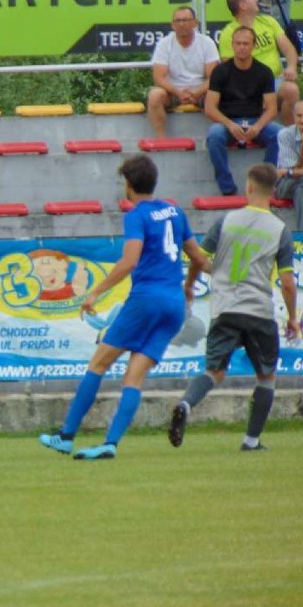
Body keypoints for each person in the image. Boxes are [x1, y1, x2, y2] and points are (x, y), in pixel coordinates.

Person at [38, 155, 211, 460]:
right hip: (173, 306)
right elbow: (199, 259)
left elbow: (129, 262)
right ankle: (110, 444)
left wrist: (95, 292)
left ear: (129, 185)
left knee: (99, 364)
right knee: (134, 378)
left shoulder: (137, 216)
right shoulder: (175, 211)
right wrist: (190, 287)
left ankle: (66, 437)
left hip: (146, 299)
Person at [169, 163, 299, 452]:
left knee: (214, 371)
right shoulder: (280, 230)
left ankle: (186, 403)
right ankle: (251, 441)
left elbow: (199, 259)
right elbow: (288, 282)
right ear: (273, 192)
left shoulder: (226, 221)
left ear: (249, 187)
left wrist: (190, 285)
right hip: (258, 311)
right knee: (266, 376)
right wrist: (292, 318)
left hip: (225, 308)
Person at [205, 26, 281, 196]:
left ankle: (266, 183)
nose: (241, 47)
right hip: (228, 122)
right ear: (232, 45)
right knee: (214, 135)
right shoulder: (220, 71)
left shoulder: (264, 72)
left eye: (246, 43)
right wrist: (229, 124)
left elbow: (272, 108)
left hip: (255, 120)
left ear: (253, 46)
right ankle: (227, 187)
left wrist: (259, 126)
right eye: (238, 43)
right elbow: (210, 108)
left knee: (280, 134)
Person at [218, 0, 299, 125]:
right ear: (243, 6)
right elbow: (229, 68)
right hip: (247, 86)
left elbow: (289, 49)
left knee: (291, 89)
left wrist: (291, 67)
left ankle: (290, 137)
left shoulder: (269, 21)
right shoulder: (229, 33)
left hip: (275, 80)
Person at [147, 6, 220, 137]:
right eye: (178, 21)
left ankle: (215, 136)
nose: (181, 24)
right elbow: (159, 78)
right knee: (154, 96)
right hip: (173, 92)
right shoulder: (164, 44)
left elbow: (214, 77)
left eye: (185, 20)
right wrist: (179, 93)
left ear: (195, 23)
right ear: (172, 24)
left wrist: (197, 93)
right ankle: (161, 140)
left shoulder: (207, 43)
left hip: (201, 91)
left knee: (217, 94)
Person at [274, 99, 303, 231]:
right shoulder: (285, 135)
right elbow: (292, 173)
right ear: (294, 117)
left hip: (299, 184)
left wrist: (289, 171)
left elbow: (291, 171)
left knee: (301, 192)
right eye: (299, 116)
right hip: (286, 184)